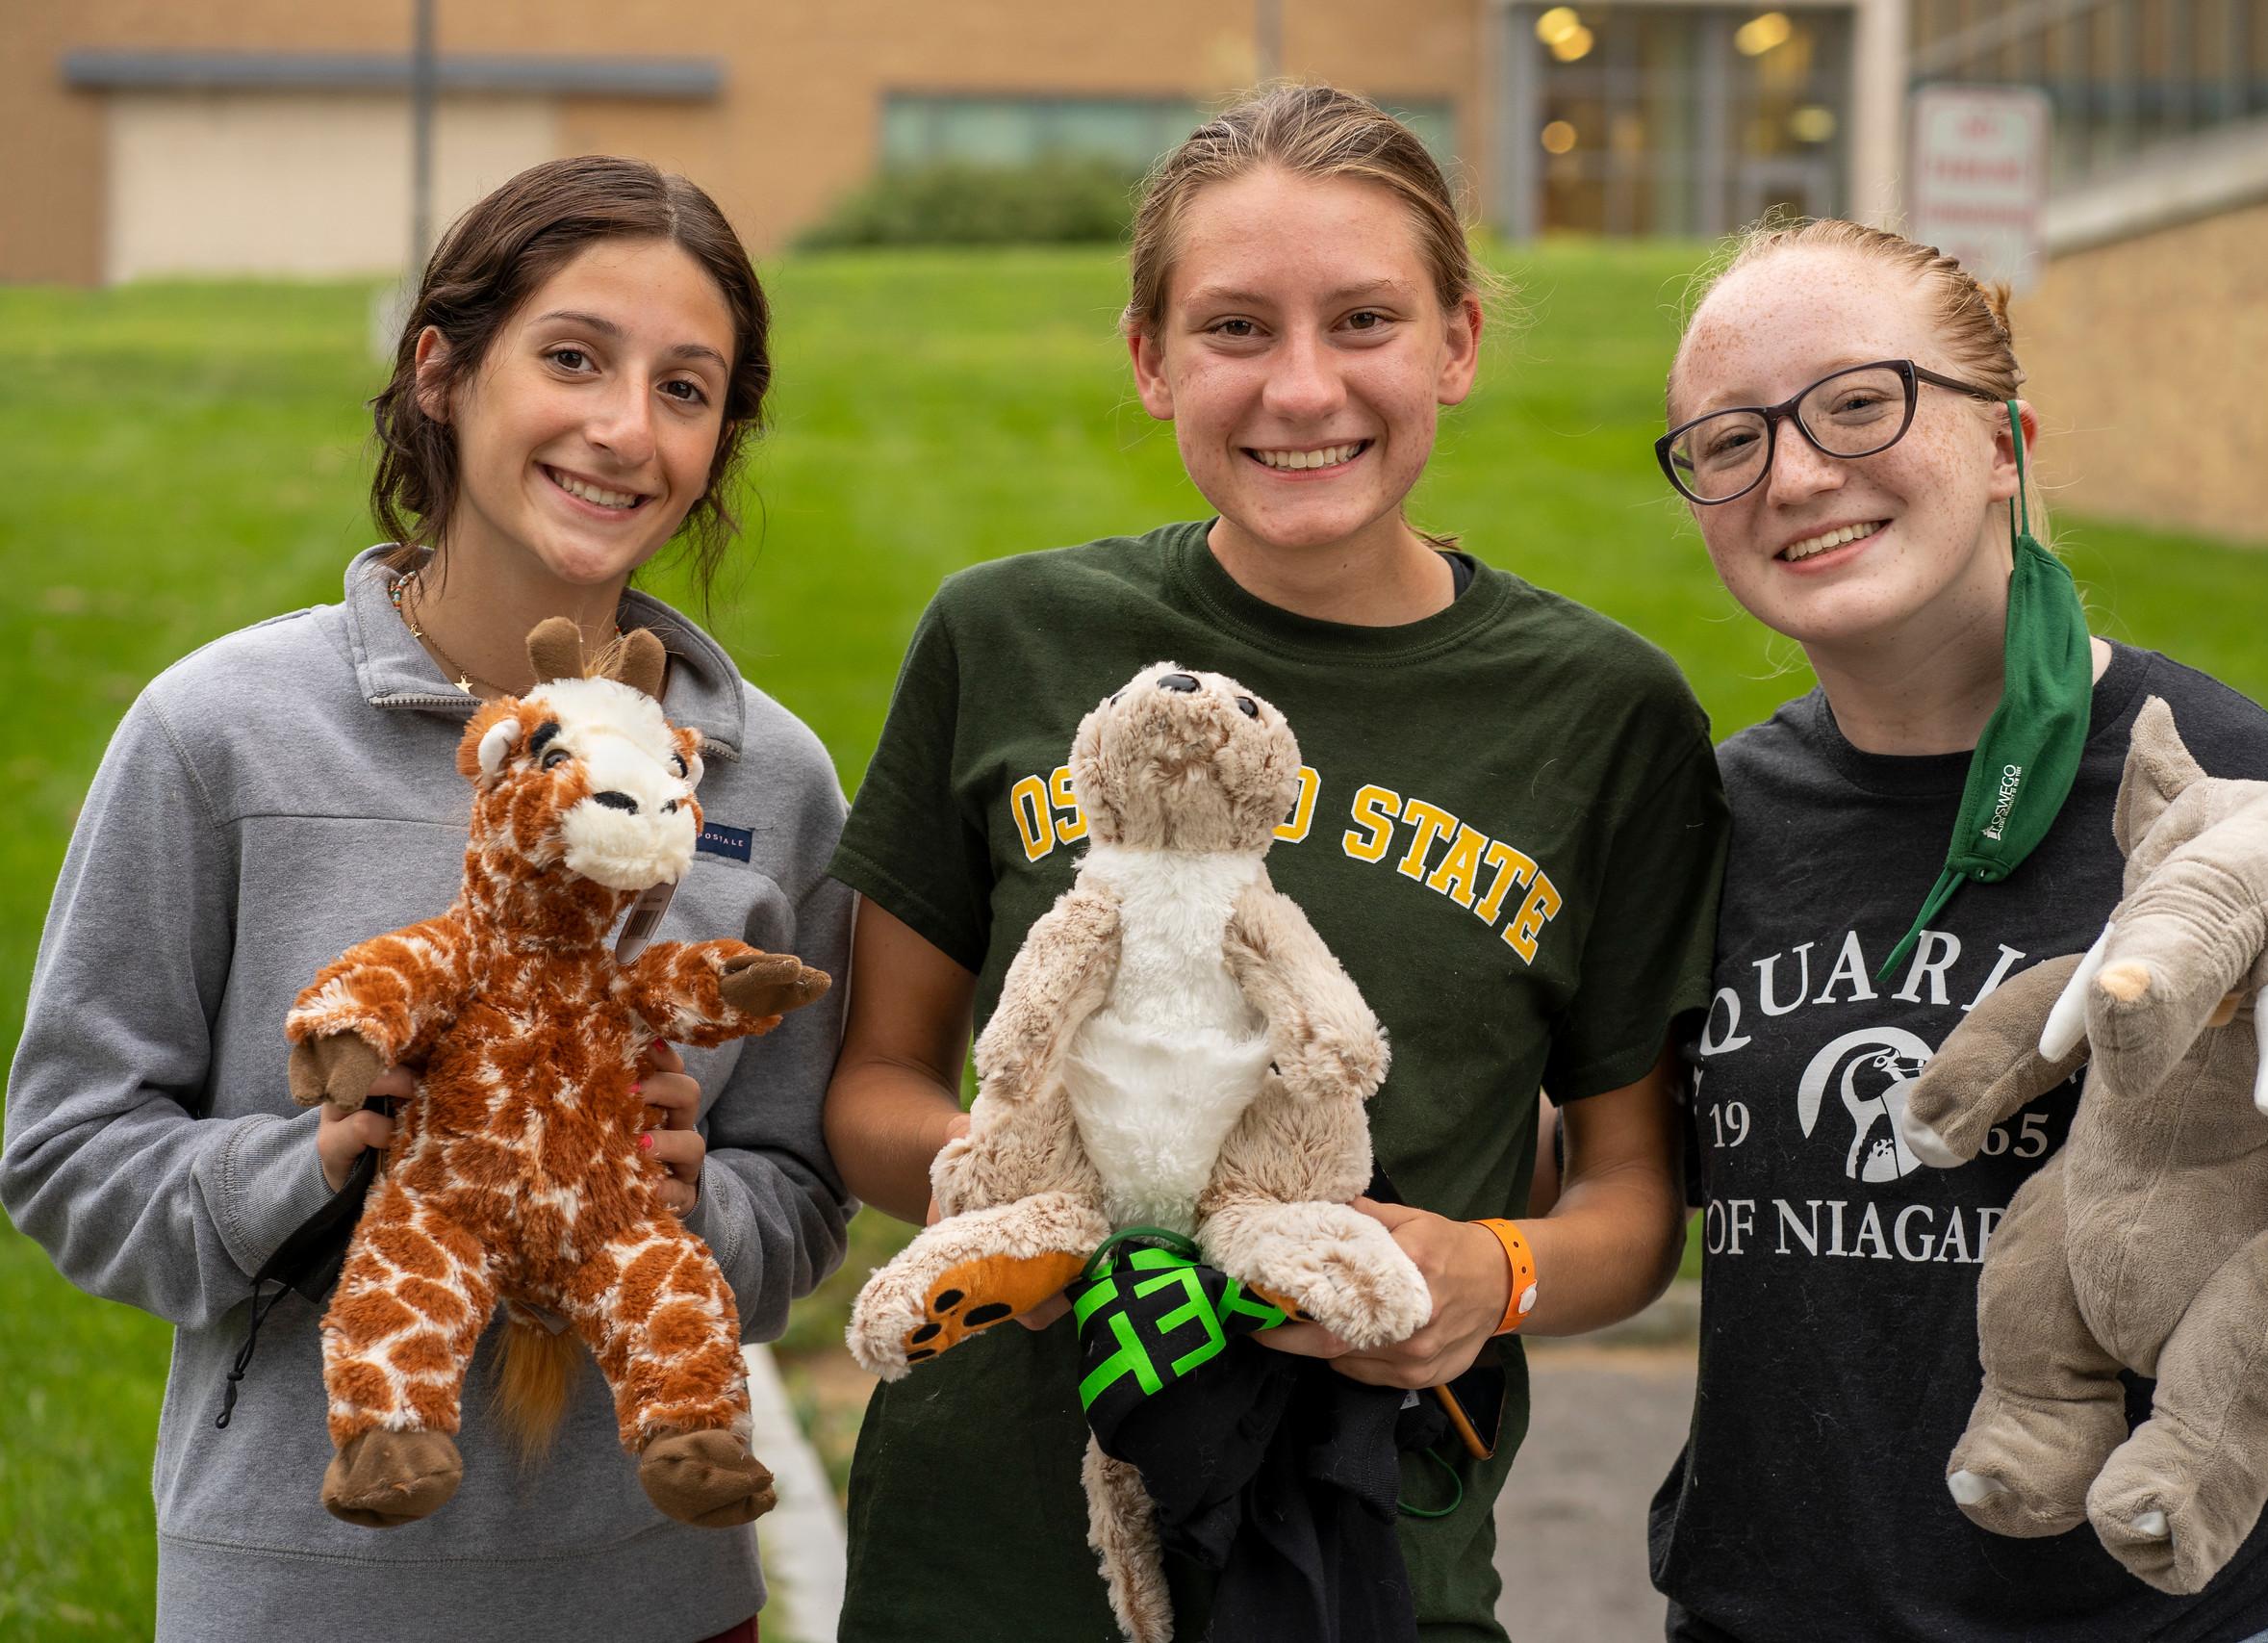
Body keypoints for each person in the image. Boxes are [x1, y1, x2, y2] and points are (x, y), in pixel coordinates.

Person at [819, 84, 1725, 1640]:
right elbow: (872, 1086)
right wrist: (1066, 1213)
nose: (1303, 388)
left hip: (1360, 1560)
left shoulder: (1600, 715)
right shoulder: (1007, 639)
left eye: (1363, 319)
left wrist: (1488, 1274)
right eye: (1236, 327)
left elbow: (1637, 1205)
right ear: (1151, 359)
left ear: (1455, 343)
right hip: (984, 1566)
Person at [0, 155, 852, 1643]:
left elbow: (802, 1199)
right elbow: (66, 1155)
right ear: (443, 371)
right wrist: (310, 1165)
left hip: (653, 1594)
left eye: (686, 388)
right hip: (297, 1586)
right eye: (574, 358)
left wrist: (693, 1194)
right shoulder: (221, 732)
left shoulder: (763, 778)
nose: (621, 429)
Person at [1648, 217, 2268, 1643]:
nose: (1797, 471)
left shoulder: (2235, 796)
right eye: (1727, 440)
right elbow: (1622, 1173)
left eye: (1859, 402)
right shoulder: (1714, 818)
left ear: (2005, 438)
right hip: (1771, 1616)